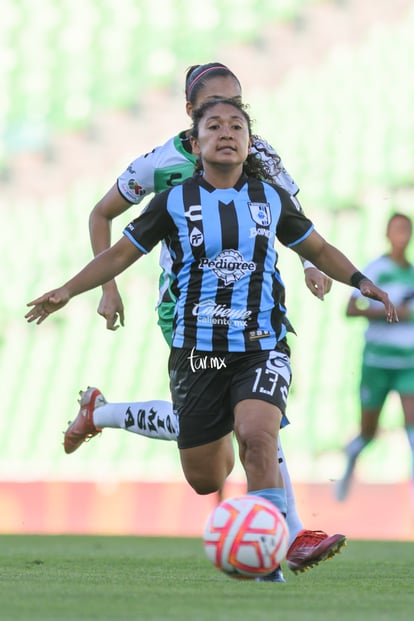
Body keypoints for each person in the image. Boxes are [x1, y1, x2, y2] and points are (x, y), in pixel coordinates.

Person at [26, 99, 398, 582]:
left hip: (261, 345)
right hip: (197, 353)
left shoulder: (271, 198)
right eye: (214, 126)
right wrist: (69, 290)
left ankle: (270, 562)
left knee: (259, 437)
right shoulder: (173, 202)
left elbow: (318, 247)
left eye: (237, 126)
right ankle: (104, 413)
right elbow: (120, 254)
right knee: (206, 477)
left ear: (248, 142)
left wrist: (359, 279)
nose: (227, 133)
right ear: (196, 142)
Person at [335, 212, 414, 502]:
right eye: (396, 229)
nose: (402, 235)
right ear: (387, 234)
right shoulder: (376, 269)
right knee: (369, 433)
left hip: (408, 364)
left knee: (412, 429)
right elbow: (351, 309)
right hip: (377, 363)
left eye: (406, 229)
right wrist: (389, 312)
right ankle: (351, 459)